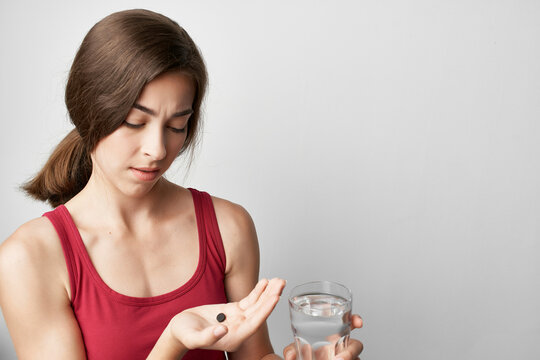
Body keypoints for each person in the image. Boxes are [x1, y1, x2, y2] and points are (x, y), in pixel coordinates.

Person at [0, 9, 363, 360]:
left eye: (176, 126)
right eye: (133, 122)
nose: (157, 150)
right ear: (87, 110)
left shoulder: (228, 226)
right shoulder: (29, 258)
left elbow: (253, 357)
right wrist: (172, 342)